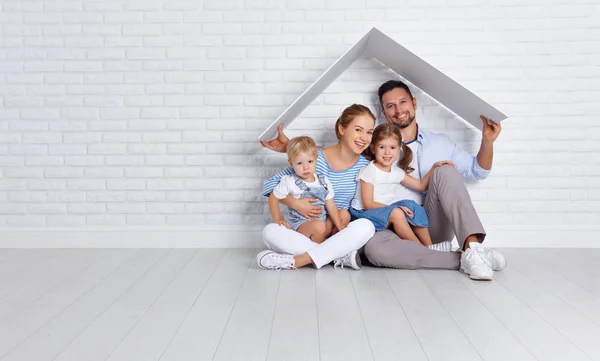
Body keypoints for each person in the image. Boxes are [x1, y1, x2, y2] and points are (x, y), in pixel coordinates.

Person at [363, 80, 507, 280]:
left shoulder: (440, 143)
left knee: (445, 170)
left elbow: (478, 171)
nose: (398, 110)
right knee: (374, 250)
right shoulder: (376, 148)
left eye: (402, 102)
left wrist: (487, 141)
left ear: (414, 103)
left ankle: (472, 247)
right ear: (383, 112)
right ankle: (466, 258)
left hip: (431, 226)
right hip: (393, 228)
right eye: (390, 106)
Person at [256, 104, 376, 271]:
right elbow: (270, 186)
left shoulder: (366, 167)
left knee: (366, 226)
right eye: (358, 130)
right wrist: (296, 203)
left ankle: (297, 260)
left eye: (369, 132)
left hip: (337, 231)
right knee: (270, 231)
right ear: (342, 129)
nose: (364, 137)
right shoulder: (314, 159)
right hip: (308, 229)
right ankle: (336, 256)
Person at [350, 123, 454, 250]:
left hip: (384, 210)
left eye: (392, 147)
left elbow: (421, 186)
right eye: (382, 147)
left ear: (399, 148)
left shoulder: (396, 172)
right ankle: (422, 248)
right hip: (363, 212)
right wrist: (397, 208)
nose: (387, 152)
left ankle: (430, 245)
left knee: (412, 206)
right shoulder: (369, 171)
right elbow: (368, 204)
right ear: (373, 148)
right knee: (397, 212)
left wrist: (434, 168)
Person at [269, 136, 345, 243]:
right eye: (300, 163)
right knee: (319, 226)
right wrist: (278, 218)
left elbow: (331, 205)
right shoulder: (290, 181)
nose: (306, 167)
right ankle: (318, 253)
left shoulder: (323, 181)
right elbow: (273, 197)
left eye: (310, 161)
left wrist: (339, 225)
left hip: (321, 222)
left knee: (344, 215)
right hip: (302, 224)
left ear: (316, 159)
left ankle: (332, 245)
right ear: (291, 163)